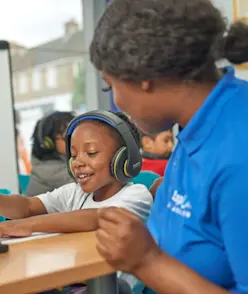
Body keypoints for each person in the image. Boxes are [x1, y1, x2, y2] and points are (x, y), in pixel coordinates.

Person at [90, 0, 248, 293]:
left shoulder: (238, 151)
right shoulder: (194, 129)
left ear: (142, 76)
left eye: (109, 86)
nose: (116, 103)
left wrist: (147, 261)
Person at [0, 110, 152, 239]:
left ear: (124, 157)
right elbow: (28, 207)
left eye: (91, 153)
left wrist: (28, 225)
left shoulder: (137, 195)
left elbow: (98, 217)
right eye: (73, 155)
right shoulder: (75, 193)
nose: (78, 162)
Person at [25, 111, 75, 196]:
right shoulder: (48, 170)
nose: (74, 140)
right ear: (49, 143)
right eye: (67, 137)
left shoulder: (65, 161)